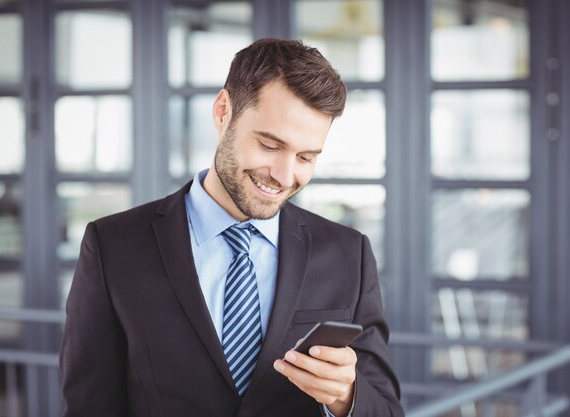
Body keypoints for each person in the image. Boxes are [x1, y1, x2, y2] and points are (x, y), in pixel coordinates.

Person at [60, 38, 404, 417]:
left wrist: (345, 396)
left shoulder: (347, 254)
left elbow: (387, 409)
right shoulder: (113, 246)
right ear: (223, 111)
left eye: (306, 157)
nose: (284, 176)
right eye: (270, 145)